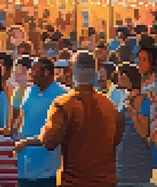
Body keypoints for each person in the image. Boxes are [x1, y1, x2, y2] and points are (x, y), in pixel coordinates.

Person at [14, 51, 125, 187]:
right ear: (96, 73)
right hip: (105, 180)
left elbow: (49, 141)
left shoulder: (64, 104)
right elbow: (117, 140)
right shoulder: (110, 107)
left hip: (74, 181)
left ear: (73, 71)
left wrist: (27, 142)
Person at [15, 58, 68, 187]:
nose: (31, 74)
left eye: (34, 70)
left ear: (45, 72)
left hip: (49, 170)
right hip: (25, 166)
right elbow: (22, 119)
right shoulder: (29, 92)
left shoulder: (63, 95)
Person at [114, 63, 152, 186]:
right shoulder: (123, 99)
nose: (118, 79)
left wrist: (134, 114)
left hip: (138, 163)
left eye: (121, 76)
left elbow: (143, 131)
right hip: (122, 163)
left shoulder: (144, 101)